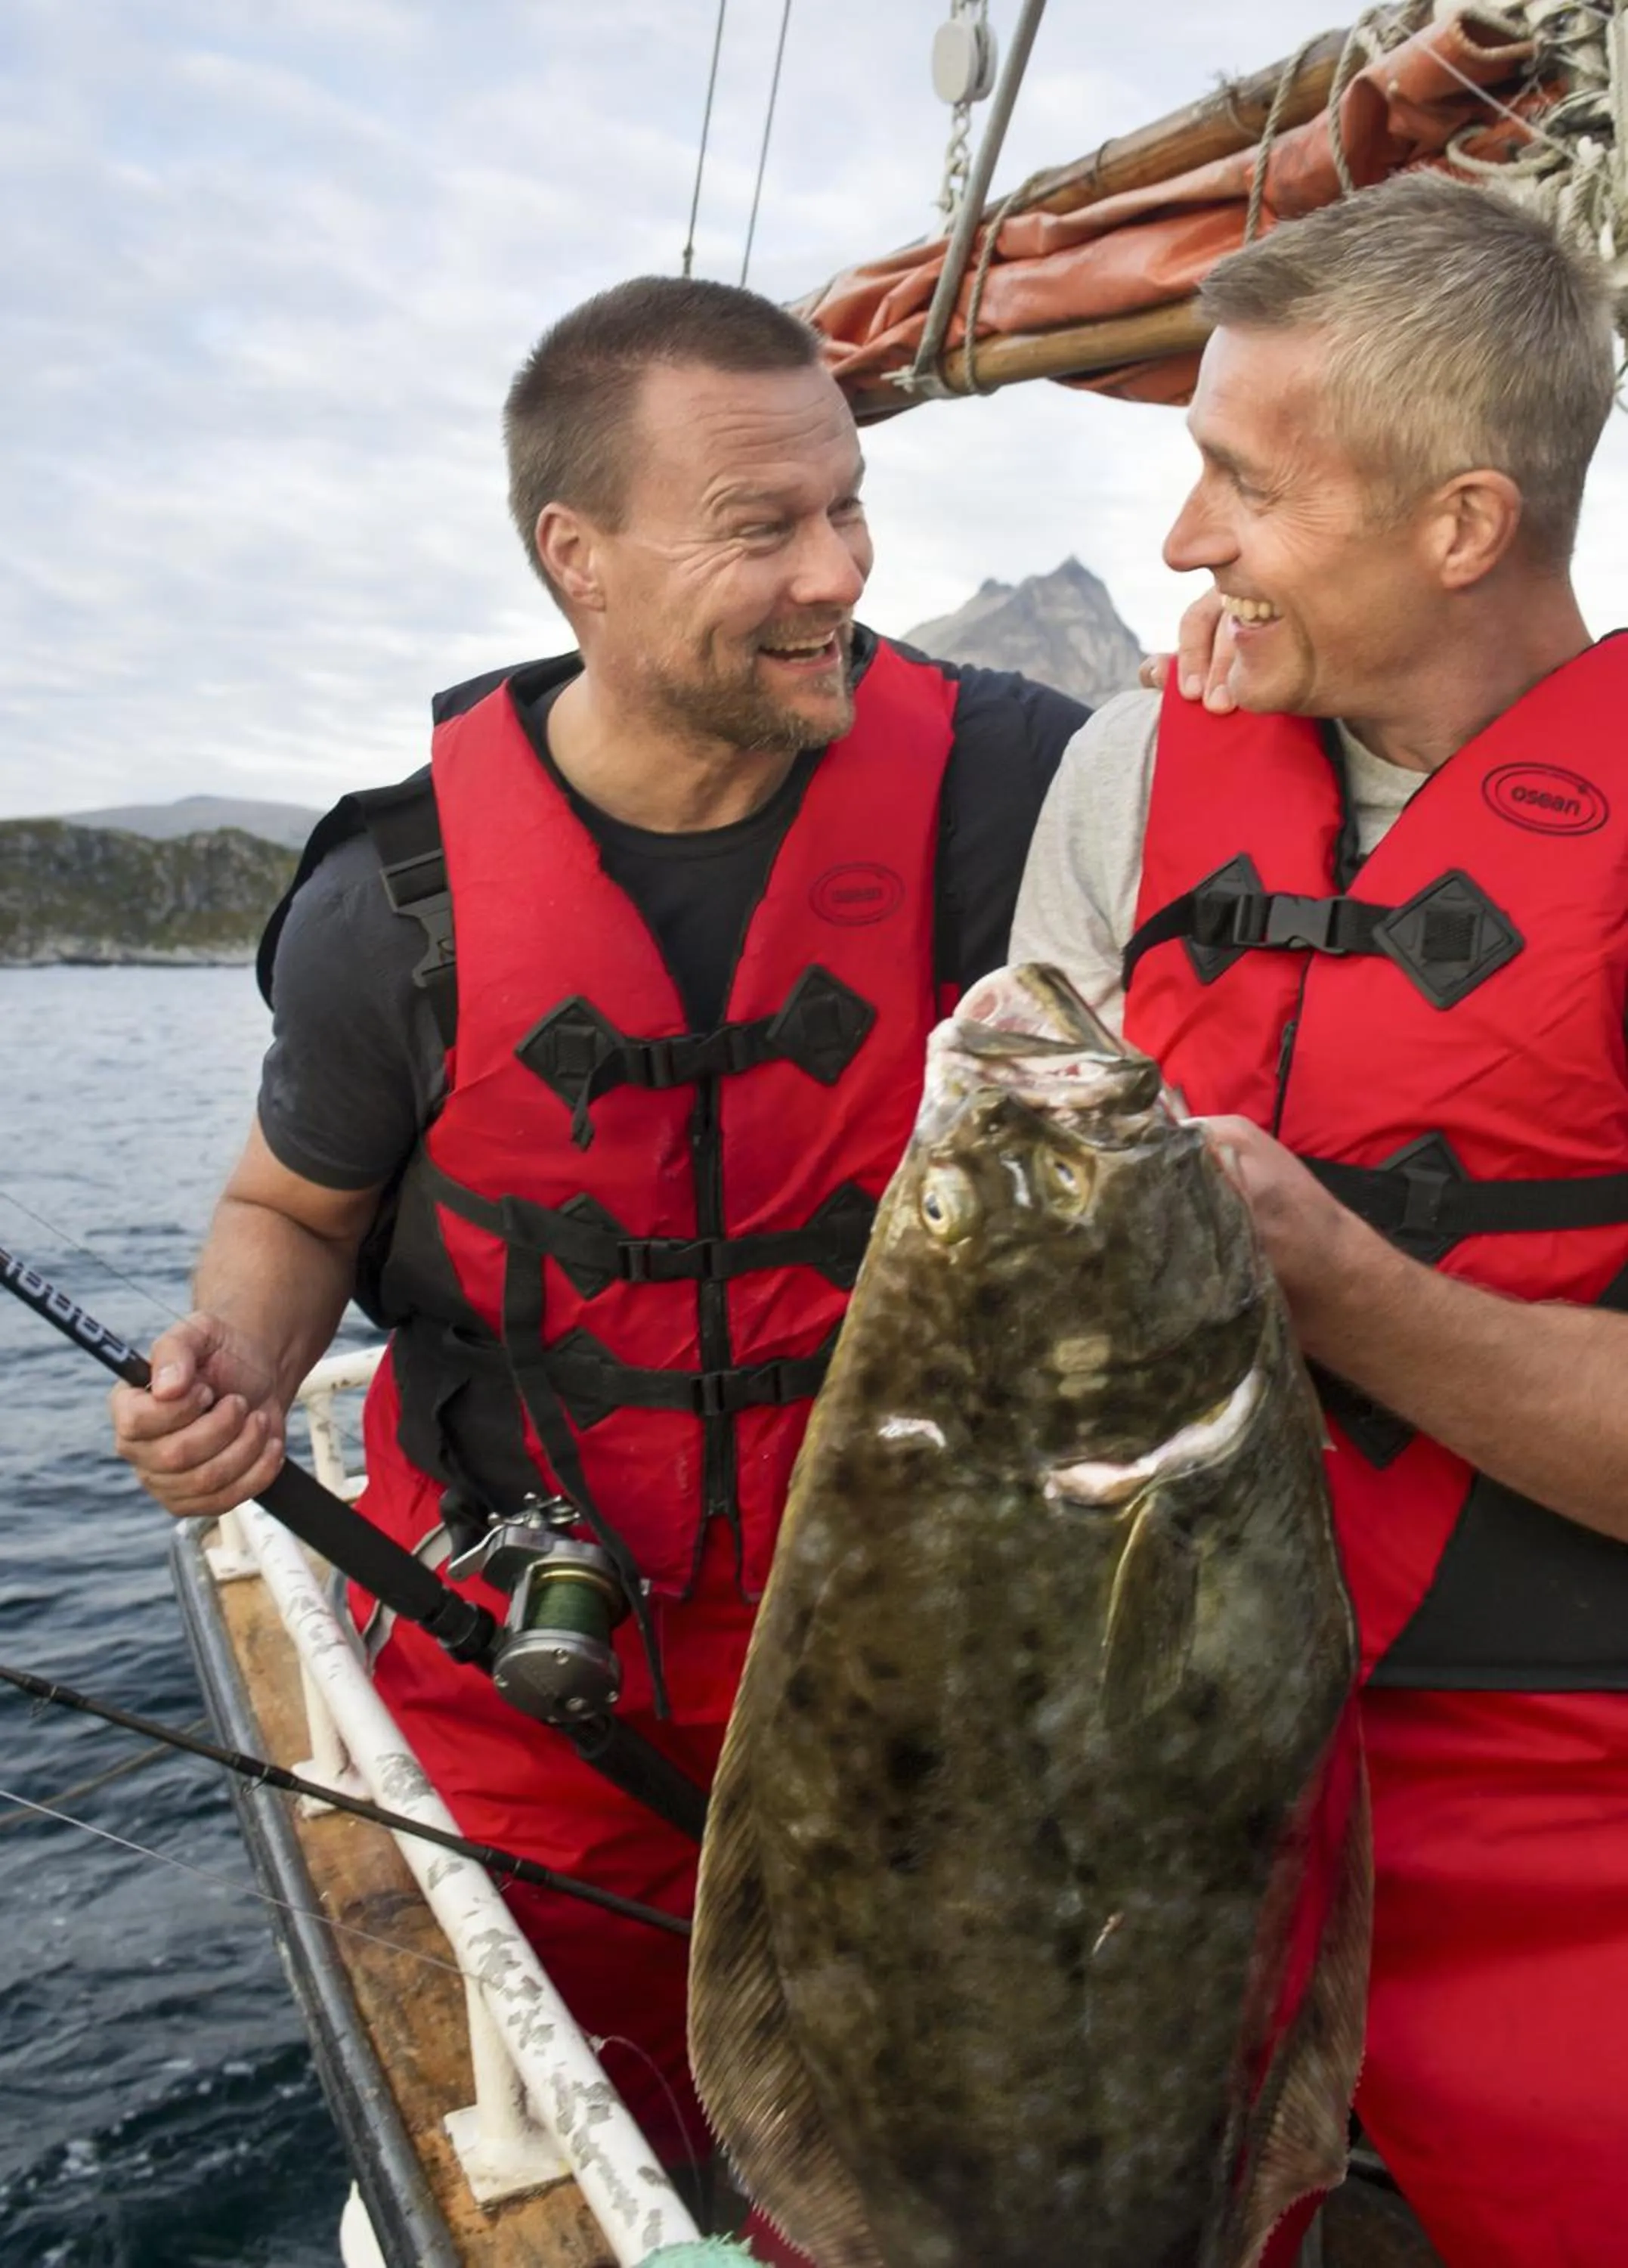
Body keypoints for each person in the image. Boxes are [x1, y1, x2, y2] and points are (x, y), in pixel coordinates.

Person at [109, 276, 1089, 2229]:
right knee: (597, 2141)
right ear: (577, 556)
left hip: (939, 1675)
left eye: (849, 503)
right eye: (760, 526)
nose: (840, 571)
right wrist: (230, 1364)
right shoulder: (392, 907)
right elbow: (291, 1210)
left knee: (958, 2164)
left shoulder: (1016, 786)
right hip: (532, 1675)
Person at [1014, 171, 1628, 2268]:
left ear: (1463, 525)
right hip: (1147, 1795)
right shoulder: (1130, 773)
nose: (1187, 543)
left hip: (1563, 1822)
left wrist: (1347, 1289)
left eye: (1247, 485)